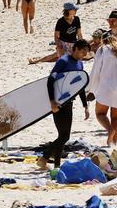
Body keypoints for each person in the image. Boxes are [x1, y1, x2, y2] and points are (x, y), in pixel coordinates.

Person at [37, 39, 90, 169]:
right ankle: (51, 162)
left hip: (69, 103)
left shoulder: (80, 64)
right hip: (58, 103)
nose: (85, 54)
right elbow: (50, 80)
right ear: (76, 49)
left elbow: (80, 87)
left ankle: (48, 161)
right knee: (63, 136)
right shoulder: (63, 61)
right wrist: (52, 102)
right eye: (83, 51)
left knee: (64, 136)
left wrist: (85, 106)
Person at [87, 34, 117, 146]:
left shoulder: (102, 50)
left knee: (100, 113)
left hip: (106, 86)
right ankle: (113, 144)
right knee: (116, 117)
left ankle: (109, 130)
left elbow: (96, 70)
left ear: (103, 41)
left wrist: (90, 89)